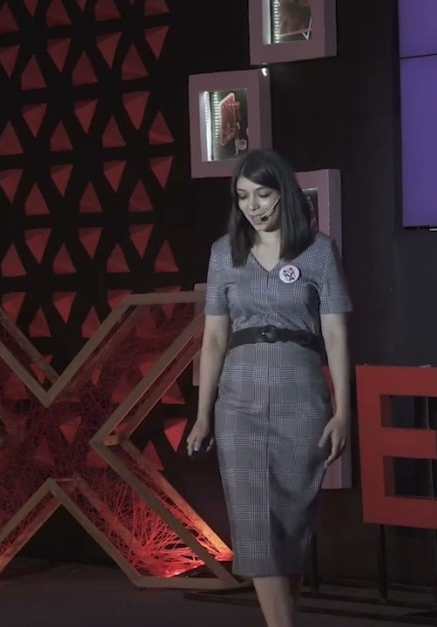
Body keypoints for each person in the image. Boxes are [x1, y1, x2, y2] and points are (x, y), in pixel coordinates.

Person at [186, 149, 352, 627]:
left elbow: (336, 334)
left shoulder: (319, 251)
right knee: (256, 523)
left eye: (262, 194)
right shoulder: (224, 253)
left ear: (285, 192)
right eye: (243, 197)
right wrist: (202, 413)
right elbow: (214, 338)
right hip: (239, 400)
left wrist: (344, 411)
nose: (253, 206)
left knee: (290, 526)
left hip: (302, 396)